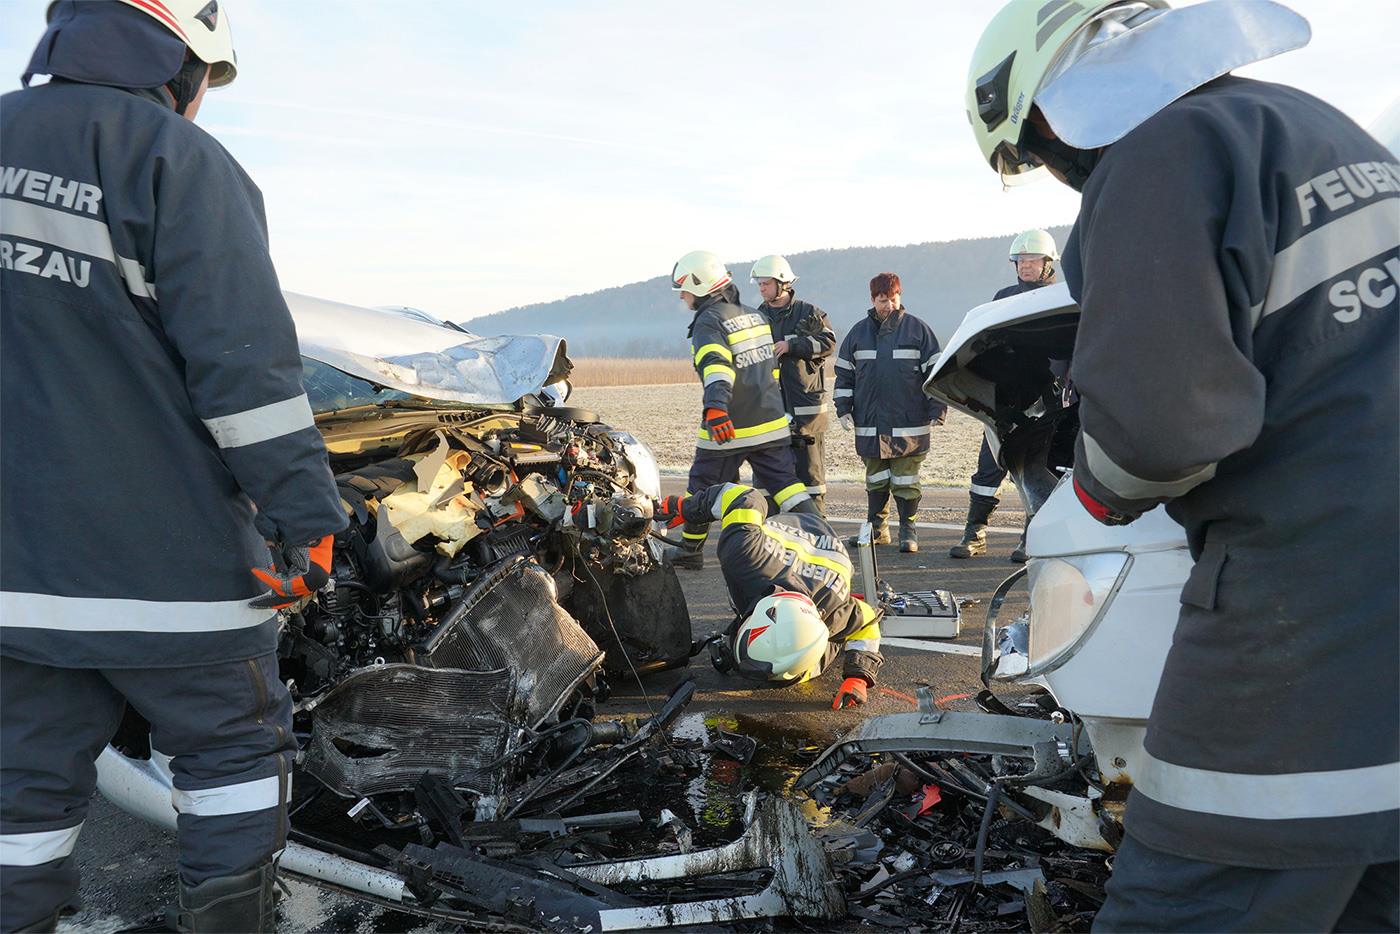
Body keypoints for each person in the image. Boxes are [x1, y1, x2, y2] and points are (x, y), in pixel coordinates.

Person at [965, 2, 1398, 930]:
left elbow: (1160, 430)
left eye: (1035, 152)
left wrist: (1093, 487)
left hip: (1313, 611)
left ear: (1046, 113)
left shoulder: (1158, 158)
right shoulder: (1309, 124)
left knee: (1190, 888)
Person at [0, 2, 348, 930]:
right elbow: (247, 375)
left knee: (18, 798)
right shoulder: (175, 159)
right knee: (234, 759)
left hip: (14, 583)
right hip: (172, 574)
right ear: (180, 59)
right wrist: (309, 521)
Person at [654, 484, 881, 709]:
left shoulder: (835, 611)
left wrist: (858, 677)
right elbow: (742, 496)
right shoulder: (744, 554)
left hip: (831, 559)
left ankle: (794, 666)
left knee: (797, 670)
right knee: (794, 669)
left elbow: (869, 620)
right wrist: (686, 508)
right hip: (790, 531)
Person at [667, 251, 815, 571]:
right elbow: (769, 371)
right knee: (788, 486)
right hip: (771, 423)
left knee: (701, 488)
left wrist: (716, 409)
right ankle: (821, 539)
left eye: (684, 289)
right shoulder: (754, 316)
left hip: (730, 427)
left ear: (700, 285)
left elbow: (717, 368)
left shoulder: (709, 321)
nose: (682, 296)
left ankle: (690, 550)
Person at [950, 229, 1060, 562]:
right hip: (1001, 400)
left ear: (1047, 263)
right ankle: (974, 533)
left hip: (1043, 402)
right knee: (988, 468)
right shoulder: (1004, 297)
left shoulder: (1060, 300)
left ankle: (1032, 537)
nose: (1025, 266)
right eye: (1020, 260)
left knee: (1035, 470)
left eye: (1032, 260)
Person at [833, 273, 947, 553]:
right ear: (873, 300)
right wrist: (843, 409)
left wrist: (938, 408)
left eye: (894, 299)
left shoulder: (918, 331)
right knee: (876, 478)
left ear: (900, 297)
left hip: (909, 423)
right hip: (870, 424)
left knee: (906, 480)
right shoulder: (858, 334)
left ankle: (908, 530)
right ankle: (877, 529)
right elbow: (844, 375)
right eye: (883, 300)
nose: (889, 305)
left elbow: (936, 375)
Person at [752, 255, 837, 515]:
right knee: (767, 485)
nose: (761, 288)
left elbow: (829, 343)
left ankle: (816, 532)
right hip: (768, 415)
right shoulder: (755, 318)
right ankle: (771, 533)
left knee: (810, 483)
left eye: (766, 283)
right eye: (759, 284)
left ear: (783, 283)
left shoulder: (809, 314)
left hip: (805, 416)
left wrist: (793, 345)